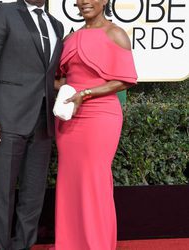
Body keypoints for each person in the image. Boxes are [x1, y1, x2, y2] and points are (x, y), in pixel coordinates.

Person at [0, 0, 64, 249]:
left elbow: (48, 75)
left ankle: (22, 245)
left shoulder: (56, 25)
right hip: (7, 118)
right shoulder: (3, 12)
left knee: (33, 194)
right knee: (3, 193)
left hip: (44, 120)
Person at [53, 0, 137, 249]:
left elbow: (124, 80)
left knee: (95, 179)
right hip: (69, 115)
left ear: (105, 1)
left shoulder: (116, 34)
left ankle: (96, 243)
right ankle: (69, 243)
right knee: (69, 179)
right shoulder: (70, 38)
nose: (84, 2)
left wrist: (85, 93)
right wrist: (64, 91)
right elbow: (58, 78)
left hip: (100, 116)